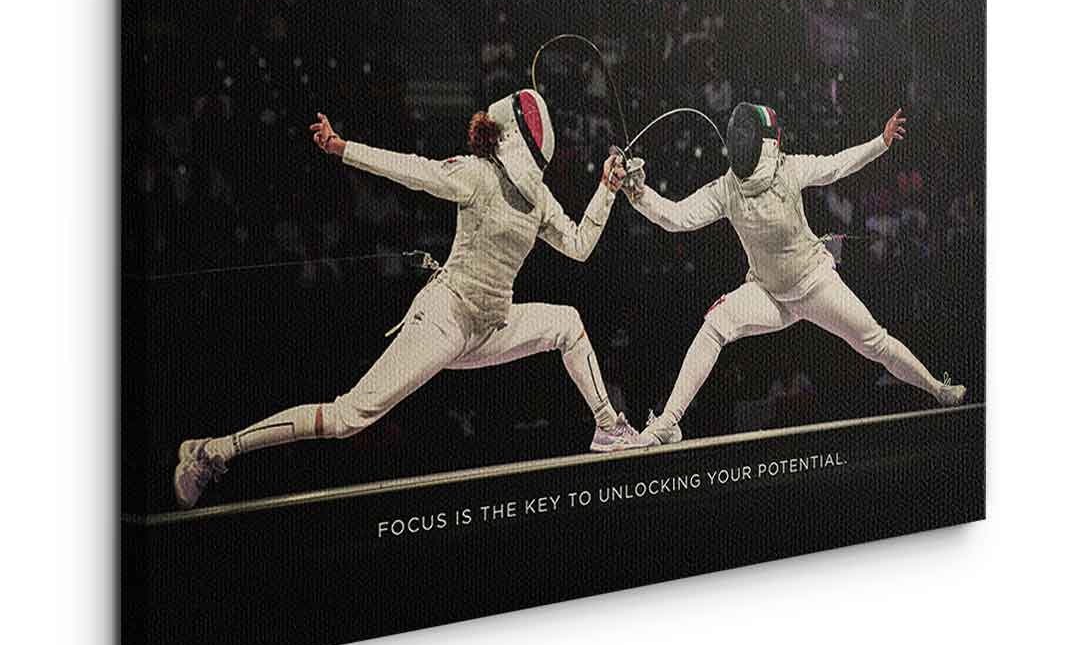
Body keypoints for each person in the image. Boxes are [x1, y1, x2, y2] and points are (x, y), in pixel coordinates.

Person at [174, 88, 636, 508]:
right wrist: (342, 148)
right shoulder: (476, 174)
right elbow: (413, 170)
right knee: (347, 418)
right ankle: (214, 451)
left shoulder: (539, 199)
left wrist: (607, 188)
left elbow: (579, 245)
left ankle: (608, 427)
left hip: (490, 326)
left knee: (567, 322)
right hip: (445, 320)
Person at [622, 103, 967, 447]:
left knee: (874, 342)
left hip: (816, 284)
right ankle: (668, 422)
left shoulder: (787, 169)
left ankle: (938, 388)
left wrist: (881, 142)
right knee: (715, 324)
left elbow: (837, 165)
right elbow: (677, 217)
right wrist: (638, 192)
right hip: (768, 294)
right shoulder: (728, 188)